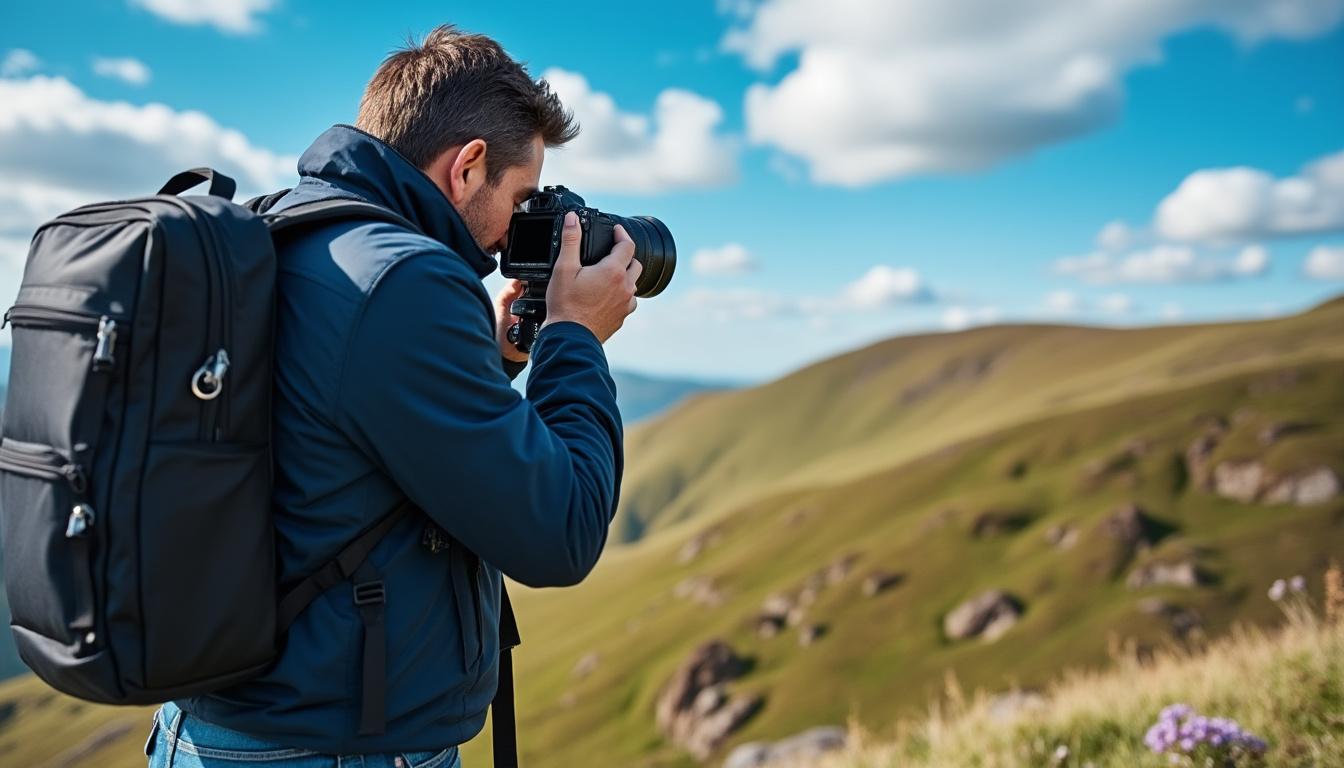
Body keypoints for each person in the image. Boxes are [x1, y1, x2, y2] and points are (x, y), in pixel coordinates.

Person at [145, 25, 638, 768]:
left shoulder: (288, 232)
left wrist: (497, 357)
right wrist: (573, 337)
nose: (515, 238)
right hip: (330, 751)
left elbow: (345, 436)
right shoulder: (405, 283)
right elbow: (560, 531)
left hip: (216, 730)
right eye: (524, 197)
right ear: (468, 166)